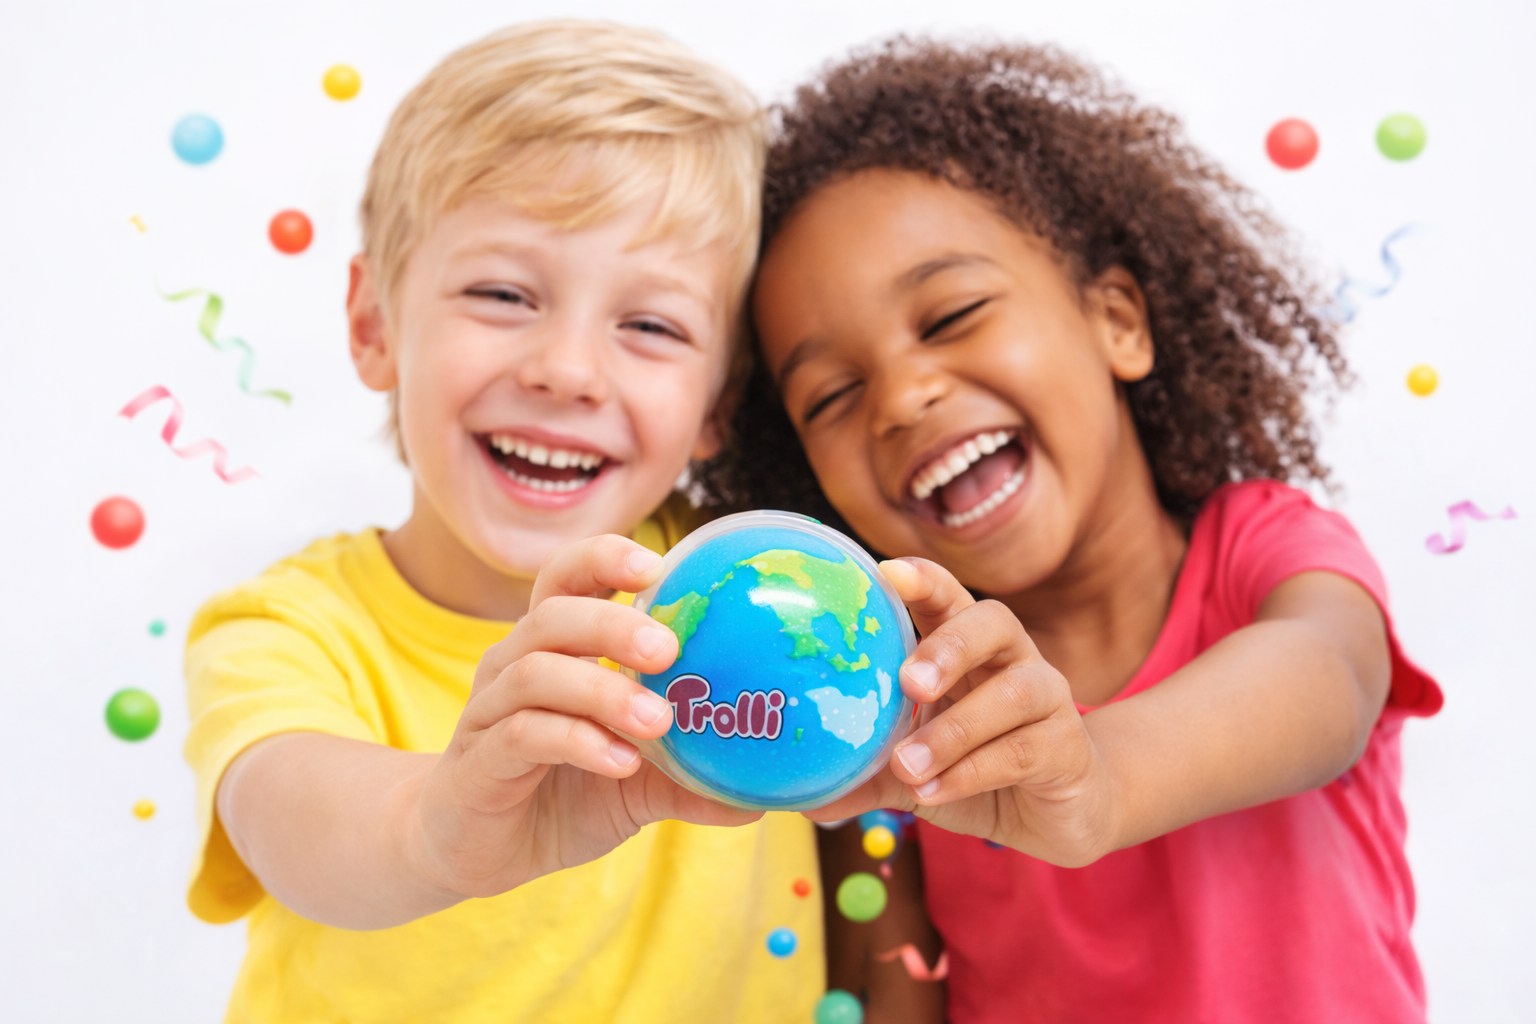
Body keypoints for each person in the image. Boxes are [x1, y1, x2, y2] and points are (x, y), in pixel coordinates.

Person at [701, 37, 1442, 1024]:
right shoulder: (881, 698)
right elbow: (892, 984)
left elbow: (1335, 681)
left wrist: (1096, 777)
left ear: (1117, 321)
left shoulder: (1265, 552)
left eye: (952, 314)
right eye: (832, 395)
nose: (903, 396)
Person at [183, 21, 823, 1023]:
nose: (566, 370)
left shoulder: (771, 584)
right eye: (503, 293)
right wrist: (438, 825)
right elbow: (290, 819)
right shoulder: (286, 631)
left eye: (650, 324)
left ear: (718, 403)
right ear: (374, 324)